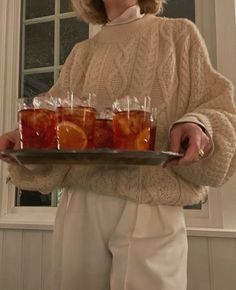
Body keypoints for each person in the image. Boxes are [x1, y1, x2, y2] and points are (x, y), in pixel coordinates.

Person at [1, 0, 236, 289]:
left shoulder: (179, 34)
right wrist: (23, 137)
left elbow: (219, 106)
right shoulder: (82, 54)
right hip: (80, 204)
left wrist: (200, 123)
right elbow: (53, 117)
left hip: (152, 203)